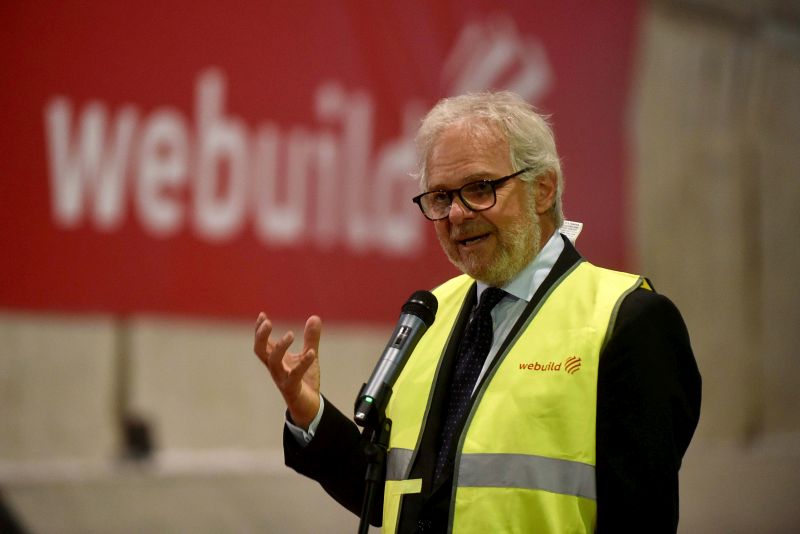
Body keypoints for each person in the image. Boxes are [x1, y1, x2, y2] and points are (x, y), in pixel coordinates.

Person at [253, 91, 701, 533]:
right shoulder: (431, 313)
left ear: (542, 189)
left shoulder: (628, 321)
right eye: (441, 197)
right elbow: (393, 498)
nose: (457, 214)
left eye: (480, 189)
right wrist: (310, 413)